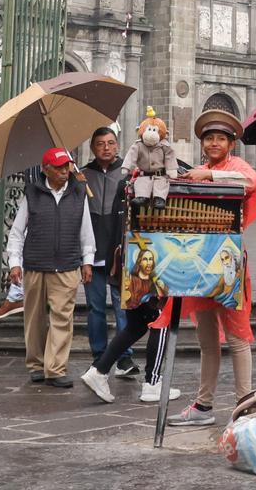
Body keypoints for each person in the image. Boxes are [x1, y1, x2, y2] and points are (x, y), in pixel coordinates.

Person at [158, 110, 256, 426]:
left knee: (236, 336)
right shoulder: (198, 169)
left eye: (221, 138)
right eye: (209, 138)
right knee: (206, 339)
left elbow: (253, 182)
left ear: (231, 143)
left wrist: (211, 177)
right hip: (197, 261)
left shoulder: (235, 167)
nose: (214, 143)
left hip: (228, 262)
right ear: (202, 143)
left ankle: (244, 402)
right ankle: (204, 406)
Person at [81, 158, 181, 404]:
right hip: (147, 265)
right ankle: (153, 382)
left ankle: (99, 370)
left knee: (136, 325)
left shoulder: (126, 182)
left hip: (128, 264)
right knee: (160, 319)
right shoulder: (141, 186)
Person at [7, 148, 95, 387]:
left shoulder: (78, 193)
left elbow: (85, 230)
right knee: (34, 318)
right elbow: (17, 232)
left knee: (62, 317)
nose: (64, 171)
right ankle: (36, 364)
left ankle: (55, 368)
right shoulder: (32, 193)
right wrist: (14, 262)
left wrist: (87, 260)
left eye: (66, 166)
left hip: (67, 264)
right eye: (58, 167)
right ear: (46, 169)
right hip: (36, 264)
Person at [81, 127, 138, 376]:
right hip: (92, 252)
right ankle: (98, 354)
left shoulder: (128, 175)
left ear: (117, 146)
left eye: (111, 143)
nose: (106, 148)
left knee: (122, 305)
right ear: (93, 148)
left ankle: (124, 357)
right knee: (95, 308)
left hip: (119, 252)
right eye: (100, 144)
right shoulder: (82, 175)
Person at [0, 165, 43, 321]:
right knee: (25, 240)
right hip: (36, 200)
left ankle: (16, 296)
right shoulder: (33, 159)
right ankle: (16, 295)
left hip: (51, 202)